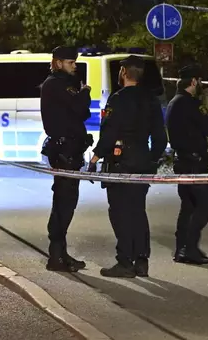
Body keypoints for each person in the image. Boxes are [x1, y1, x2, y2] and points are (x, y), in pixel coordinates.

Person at [87, 55, 167, 278]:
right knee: (138, 211)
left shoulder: (117, 99)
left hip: (120, 162)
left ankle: (125, 262)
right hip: (142, 160)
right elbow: (160, 138)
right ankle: (142, 260)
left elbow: (109, 134)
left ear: (123, 73)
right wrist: (151, 159)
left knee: (120, 213)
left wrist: (94, 159)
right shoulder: (151, 100)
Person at [40, 46, 94, 273]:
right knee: (64, 202)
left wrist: (81, 94)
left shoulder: (65, 84)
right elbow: (80, 108)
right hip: (63, 151)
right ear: (58, 62)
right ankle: (56, 256)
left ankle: (61, 254)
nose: (75, 66)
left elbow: (81, 113)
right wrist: (85, 92)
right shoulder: (54, 84)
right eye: (71, 62)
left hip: (71, 150)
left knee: (67, 202)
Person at [165, 64, 208, 265]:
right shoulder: (191, 104)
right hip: (195, 164)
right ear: (194, 82)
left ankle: (182, 249)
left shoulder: (173, 103)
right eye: (199, 81)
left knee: (188, 206)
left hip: (182, 161)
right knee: (206, 206)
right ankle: (190, 247)